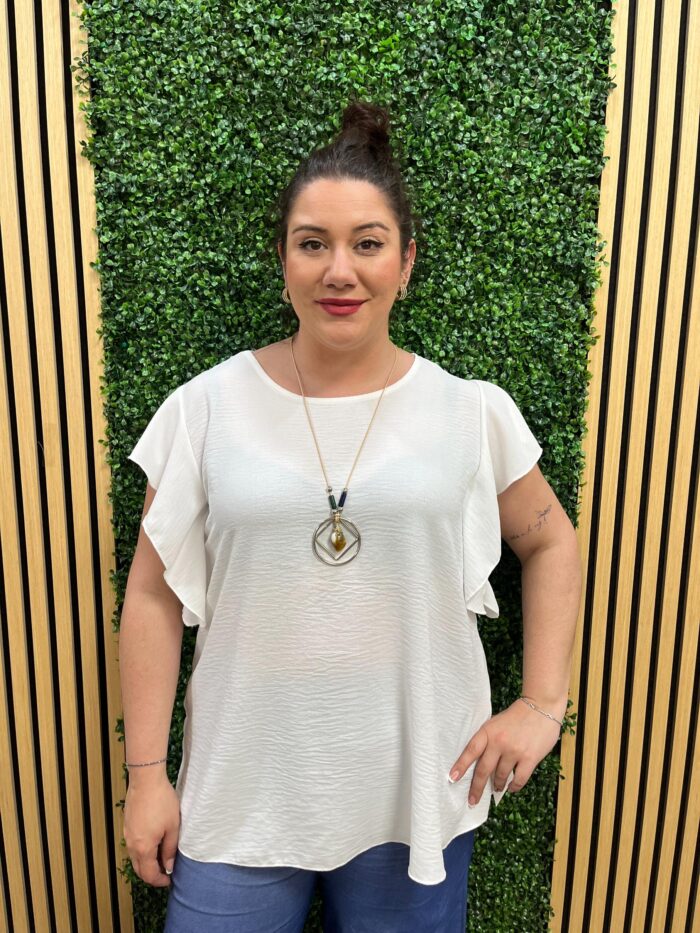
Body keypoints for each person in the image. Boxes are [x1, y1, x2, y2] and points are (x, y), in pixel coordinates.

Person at [119, 99, 582, 932]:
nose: (340, 270)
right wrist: (146, 775)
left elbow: (551, 541)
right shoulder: (203, 410)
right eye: (313, 243)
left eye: (368, 243)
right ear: (283, 259)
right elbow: (152, 595)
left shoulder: (470, 411)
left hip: (418, 797)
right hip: (238, 792)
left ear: (406, 261)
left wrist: (543, 702)